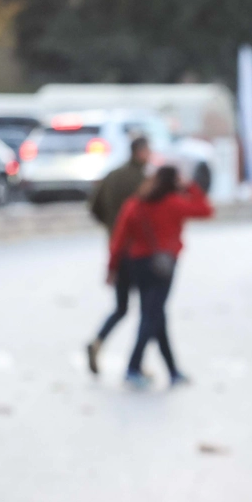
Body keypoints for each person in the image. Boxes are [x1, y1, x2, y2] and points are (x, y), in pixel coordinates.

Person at [107, 165, 212, 389]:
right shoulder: (174, 203)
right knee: (152, 316)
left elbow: (118, 239)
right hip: (163, 267)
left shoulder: (135, 204)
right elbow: (206, 210)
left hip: (137, 265)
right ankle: (133, 368)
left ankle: (172, 370)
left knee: (156, 316)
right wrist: (189, 186)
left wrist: (112, 268)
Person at [86, 136, 150, 374]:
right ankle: (136, 364)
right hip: (139, 252)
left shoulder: (112, 176)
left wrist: (111, 227)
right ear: (141, 152)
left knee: (122, 307)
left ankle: (98, 342)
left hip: (116, 247)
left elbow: (93, 207)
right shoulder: (143, 181)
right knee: (149, 311)